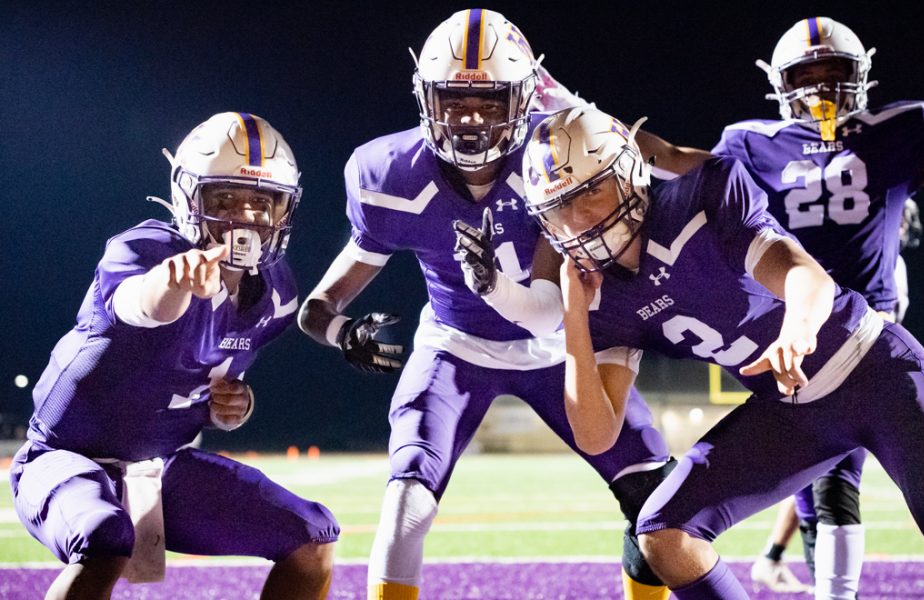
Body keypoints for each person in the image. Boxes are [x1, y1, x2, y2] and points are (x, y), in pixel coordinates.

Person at [519, 105, 924, 600]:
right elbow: (596, 435)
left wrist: (798, 328)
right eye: (560, 208)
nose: (578, 220)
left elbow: (801, 273)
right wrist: (573, 314)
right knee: (664, 534)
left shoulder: (703, 198)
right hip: (792, 410)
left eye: (590, 193)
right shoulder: (599, 298)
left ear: (628, 174)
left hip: (875, 370)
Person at [297, 9, 672, 600]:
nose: (471, 119)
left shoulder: (556, 158)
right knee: (406, 505)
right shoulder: (388, 175)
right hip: (455, 346)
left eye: (491, 102)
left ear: (524, 100)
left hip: (560, 346)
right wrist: (343, 330)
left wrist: (494, 285)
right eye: (454, 101)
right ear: (426, 99)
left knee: (655, 497)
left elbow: (550, 307)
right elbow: (318, 305)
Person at [707, 17, 924, 597]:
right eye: (807, 76)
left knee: (855, 477)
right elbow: (681, 167)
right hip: (796, 330)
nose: (819, 88)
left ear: (859, 76)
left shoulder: (893, 129)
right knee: (841, 478)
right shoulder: (748, 143)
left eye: (832, 73)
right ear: (782, 83)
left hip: (866, 333)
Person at [8, 112, 338, 600]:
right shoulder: (146, 251)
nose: (245, 217)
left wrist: (235, 405)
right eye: (225, 199)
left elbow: (215, 373)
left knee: (312, 537)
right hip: (65, 456)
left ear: (282, 211)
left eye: (260, 202)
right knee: (104, 538)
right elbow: (137, 306)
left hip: (162, 464)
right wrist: (174, 281)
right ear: (189, 198)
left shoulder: (276, 292)